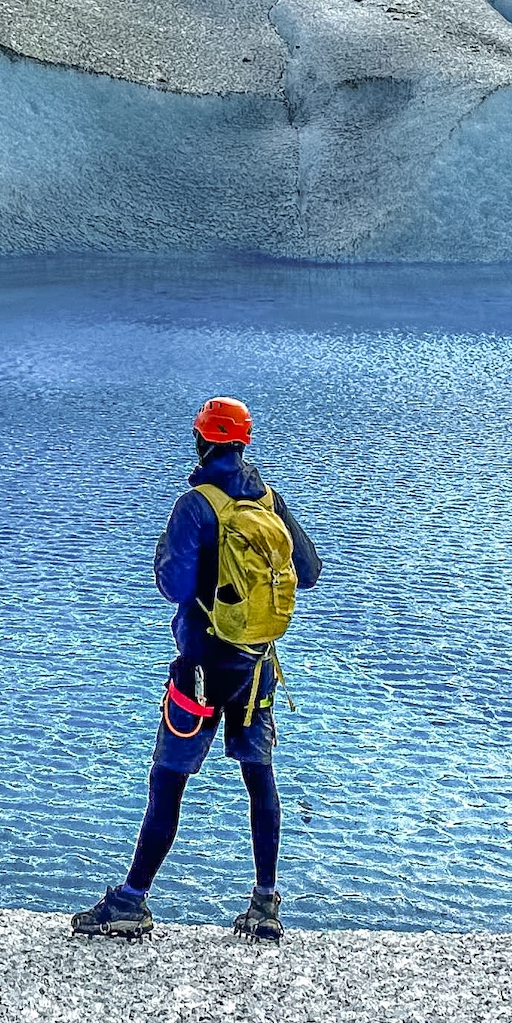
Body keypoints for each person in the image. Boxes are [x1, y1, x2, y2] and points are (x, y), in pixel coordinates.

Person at [71, 395, 322, 943]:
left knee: (168, 781)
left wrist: (171, 550)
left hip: (203, 667)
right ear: (243, 441)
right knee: (259, 778)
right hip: (255, 669)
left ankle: (132, 901)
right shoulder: (268, 500)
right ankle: (264, 905)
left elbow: (173, 587)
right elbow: (309, 571)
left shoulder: (196, 505)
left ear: (201, 439)